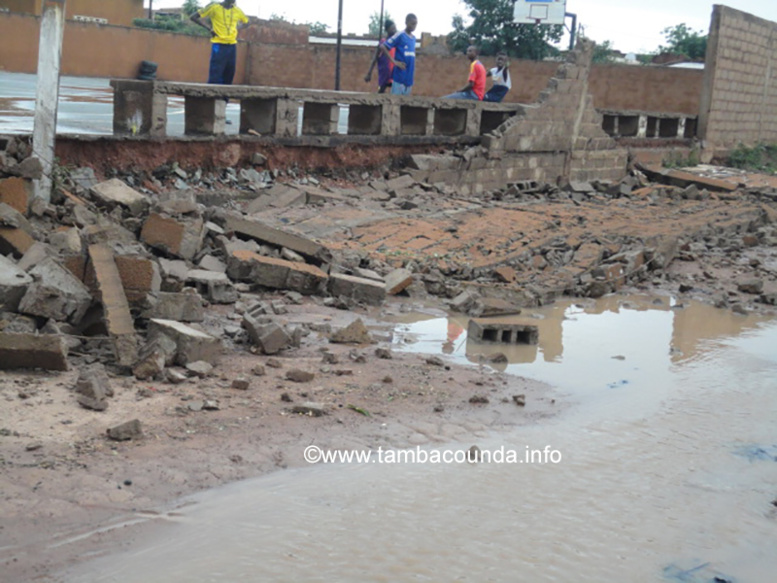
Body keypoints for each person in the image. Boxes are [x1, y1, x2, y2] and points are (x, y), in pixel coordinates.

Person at [191, 0, 249, 86]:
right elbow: (193, 17)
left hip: (232, 45)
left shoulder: (237, 10)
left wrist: (238, 27)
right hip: (219, 44)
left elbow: (247, 22)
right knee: (216, 72)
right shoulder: (214, 7)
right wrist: (209, 29)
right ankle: (212, 97)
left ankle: (225, 98)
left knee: (229, 73)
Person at [381, 14, 418, 96]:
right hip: (399, 78)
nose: (414, 26)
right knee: (395, 104)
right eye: (412, 23)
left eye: (415, 24)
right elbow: (384, 47)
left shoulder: (413, 38)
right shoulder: (400, 35)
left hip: (409, 79)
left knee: (405, 106)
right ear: (406, 22)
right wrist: (394, 62)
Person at [364, 20, 398, 94]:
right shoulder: (382, 43)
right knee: (381, 91)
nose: (394, 31)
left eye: (395, 28)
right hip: (384, 73)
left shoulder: (396, 43)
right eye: (392, 29)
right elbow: (375, 59)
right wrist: (369, 73)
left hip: (394, 73)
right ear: (387, 30)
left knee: (396, 93)